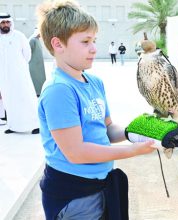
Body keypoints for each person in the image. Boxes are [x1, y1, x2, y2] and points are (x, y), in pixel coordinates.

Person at [36, 1, 156, 219]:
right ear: (58, 44)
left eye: (94, 40)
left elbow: (107, 129)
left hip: (101, 185)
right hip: (73, 195)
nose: (93, 48)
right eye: (85, 41)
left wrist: (138, 132)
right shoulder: (59, 90)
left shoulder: (94, 82)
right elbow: (76, 152)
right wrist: (132, 151)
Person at [0, 13, 39, 134]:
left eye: (7, 22)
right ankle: (13, 126)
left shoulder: (19, 36)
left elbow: (27, 55)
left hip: (20, 74)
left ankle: (34, 125)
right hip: (4, 76)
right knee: (9, 100)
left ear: (11, 23)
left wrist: (19, 67)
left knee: (26, 97)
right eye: (3, 22)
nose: (5, 24)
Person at [29, 28, 47, 97]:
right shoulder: (32, 40)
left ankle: (40, 92)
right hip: (34, 65)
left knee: (40, 79)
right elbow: (28, 52)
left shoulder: (37, 40)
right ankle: (36, 92)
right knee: (35, 79)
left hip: (39, 65)